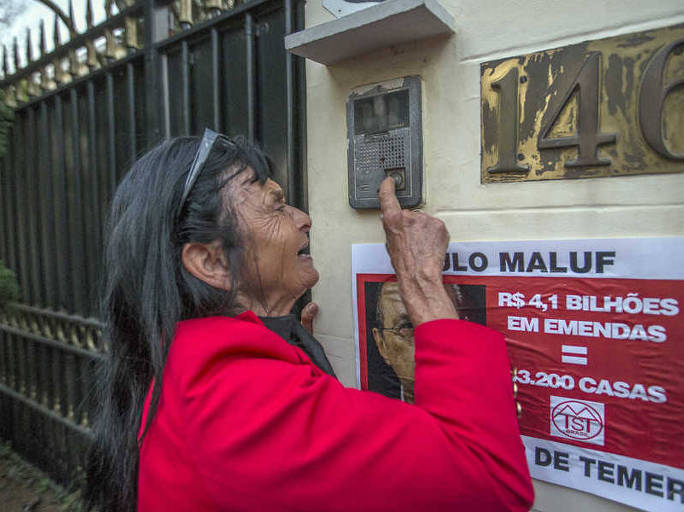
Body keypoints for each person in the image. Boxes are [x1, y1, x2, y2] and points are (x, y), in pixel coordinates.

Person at [85, 131, 534, 511]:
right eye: (275, 206)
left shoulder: (193, 360)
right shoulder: (239, 400)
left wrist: (287, 354)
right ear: (212, 262)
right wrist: (421, 283)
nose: (305, 218)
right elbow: (489, 478)